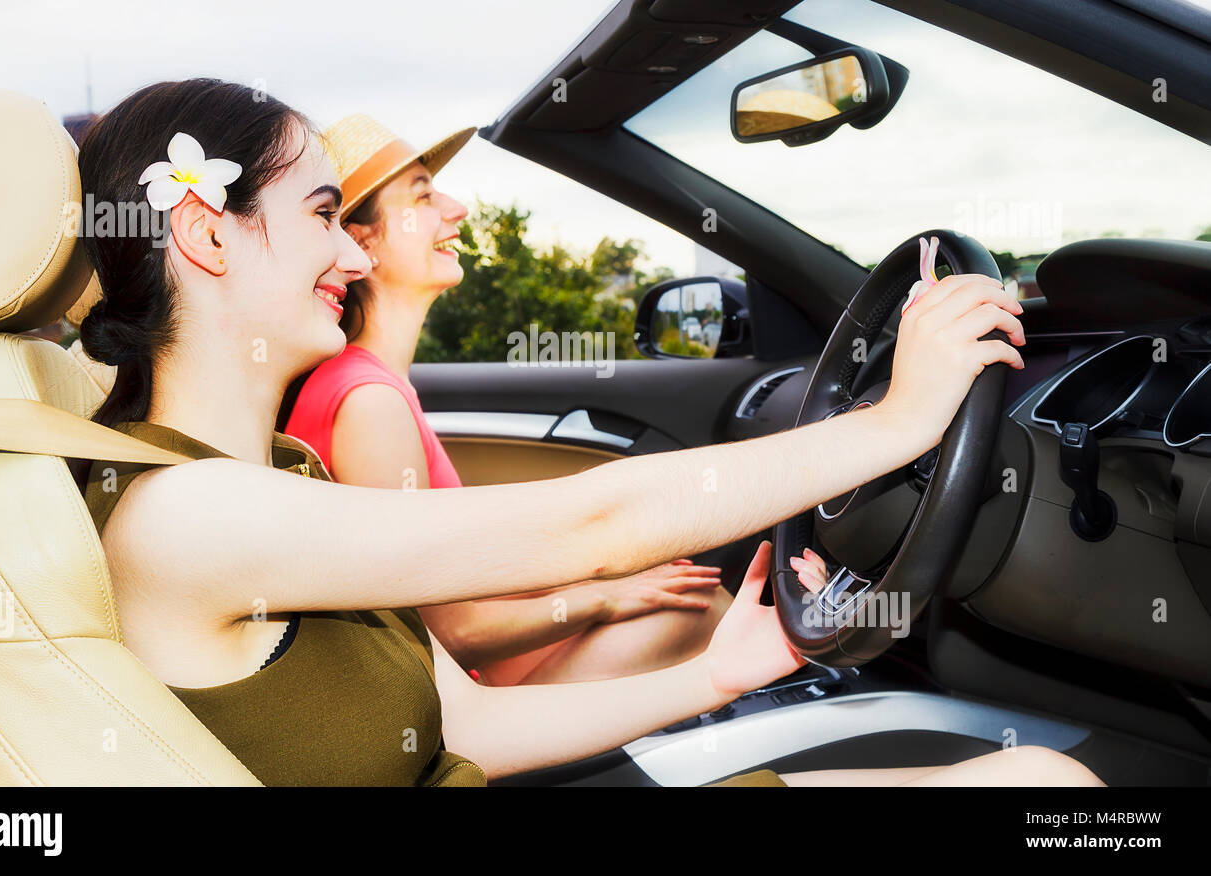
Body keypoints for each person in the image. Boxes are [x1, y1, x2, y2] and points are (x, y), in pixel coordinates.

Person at [74, 78, 1101, 786]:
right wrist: (897, 419)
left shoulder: (278, 469)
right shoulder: (184, 515)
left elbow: (464, 727)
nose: (353, 249)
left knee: (1047, 784)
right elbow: (596, 520)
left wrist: (716, 674)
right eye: (326, 213)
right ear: (208, 232)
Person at [281, 114, 737, 687]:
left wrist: (596, 583)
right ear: (363, 239)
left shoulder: (367, 381)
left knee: (687, 595)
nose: (456, 208)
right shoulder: (368, 401)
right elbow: (454, 634)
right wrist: (603, 599)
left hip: (484, 670)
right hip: (470, 703)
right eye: (423, 195)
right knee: (696, 612)